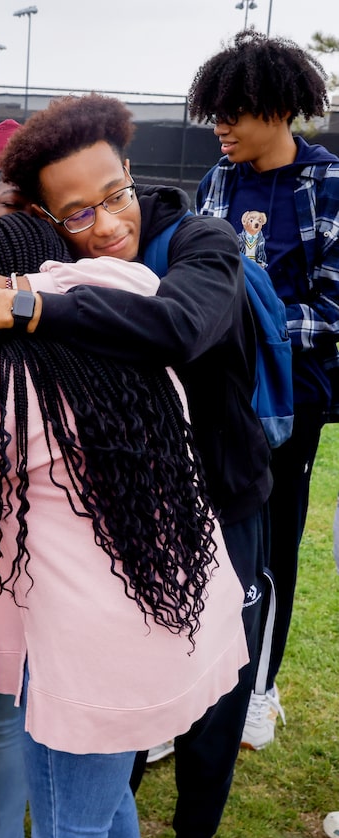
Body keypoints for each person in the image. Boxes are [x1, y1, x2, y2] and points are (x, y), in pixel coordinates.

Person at [0, 92, 273, 838]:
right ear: (45, 221)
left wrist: (18, 306)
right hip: (127, 521)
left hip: (219, 496)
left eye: (117, 194)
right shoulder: (62, 288)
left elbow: (175, 323)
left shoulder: (198, 243)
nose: (106, 224)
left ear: (134, 175)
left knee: (211, 696)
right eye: (77, 214)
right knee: (110, 744)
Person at [188, 30, 339, 749]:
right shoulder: (216, 180)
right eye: (213, 111)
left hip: (291, 403)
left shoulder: (329, 184)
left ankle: (259, 688)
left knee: (272, 544)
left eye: (234, 111)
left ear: (279, 108)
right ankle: (193, 686)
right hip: (212, 393)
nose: (220, 125)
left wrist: (257, 325)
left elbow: (336, 310)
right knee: (202, 535)